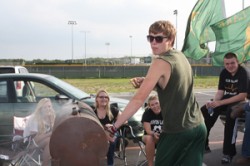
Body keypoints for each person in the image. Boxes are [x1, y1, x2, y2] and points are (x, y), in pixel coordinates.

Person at [107, 20, 206, 166]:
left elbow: (138, 100)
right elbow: (175, 86)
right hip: (198, 127)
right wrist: (150, 83)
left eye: (159, 39)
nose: (153, 43)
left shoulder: (160, 62)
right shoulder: (180, 56)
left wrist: (115, 127)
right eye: (150, 38)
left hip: (178, 131)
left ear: (170, 39)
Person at [200, 52, 248, 164]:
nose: (230, 66)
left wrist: (220, 103)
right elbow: (221, 91)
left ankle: (228, 153)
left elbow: (242, 95)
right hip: (227, 99)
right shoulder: (224, 73)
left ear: (238, 62)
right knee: (206, 110)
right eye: (227, 64)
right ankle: (204, 144)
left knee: (231, 114)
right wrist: (214, 102)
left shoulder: (243, 72)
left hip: (240, 101)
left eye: (232, 63)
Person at [23, 98, 56, 166]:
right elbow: (34, 138)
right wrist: (50, 133)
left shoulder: (52, 117)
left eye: (49, 106)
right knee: (49, 141)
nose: (48, 109)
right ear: (40, 109)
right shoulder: (35, 118)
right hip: (30, 143)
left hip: (44, 142)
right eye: (45, 107)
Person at [93, 89, 121, 166]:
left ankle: (110, 163)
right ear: (97, 99)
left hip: (111, 131)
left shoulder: (113, 109)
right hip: (97, 132)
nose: (104, 99)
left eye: (106, 97)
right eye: (101, 97)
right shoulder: (93, 110)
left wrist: (113, 125)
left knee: (111, 140)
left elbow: (124, 121)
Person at [141, 95, 163, 166]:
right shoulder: (147, 113)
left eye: (156, 103)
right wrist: (154, 134)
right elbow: (148, 131)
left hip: (164, 135)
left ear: (160, 103)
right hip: (150, 135)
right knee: (150, 138)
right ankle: (150, 164)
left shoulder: (166, 112)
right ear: (149, 106)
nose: (155, 106)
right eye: (152, 105)